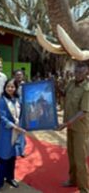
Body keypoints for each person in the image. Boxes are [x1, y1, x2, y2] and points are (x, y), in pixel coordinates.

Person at [58, 63, 89, 193]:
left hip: (80, 129)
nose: (78, 74)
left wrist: (66, 123)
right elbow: (64, 94)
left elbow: (84, 112)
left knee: (80, 158)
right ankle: (73, 180)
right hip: (70, 127)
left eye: (81, 72)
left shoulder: (87, 89)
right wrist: (53, 87)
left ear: (86, 73)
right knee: (71, 155)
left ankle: (84, 188)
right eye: (76, 72)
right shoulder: (71, 83)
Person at [0, 79, 26, 193]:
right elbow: (3, 117)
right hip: (7, 132)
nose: (10, 89)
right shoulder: (2, 101)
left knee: (12, 157)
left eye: (12, 87)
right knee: (3, 157)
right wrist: (15, 127)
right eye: (8, 87)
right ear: (5, 88)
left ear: (16, 88)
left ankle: (10, 178)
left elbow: (22, 114)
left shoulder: (18, 99)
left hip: (17, 132)